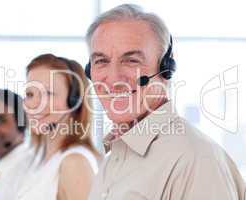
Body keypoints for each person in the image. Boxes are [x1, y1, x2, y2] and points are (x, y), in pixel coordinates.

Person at [84, 4, 246, 200]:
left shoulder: (195, 160)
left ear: (166, 70)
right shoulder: (113, 159)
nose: (114, 77)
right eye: (101, 61)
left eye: (132, 60)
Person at [19, 53, 100, 200]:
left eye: (48, 94)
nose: (34, 104)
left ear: (74, 101)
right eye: (30, 94)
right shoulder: (40, 160)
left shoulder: (75, 163)